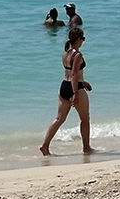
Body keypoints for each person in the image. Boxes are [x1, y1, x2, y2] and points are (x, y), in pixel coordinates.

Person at [40, 27, 93, 155]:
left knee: (59, 119)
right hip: (75, 88)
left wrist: (82, 82)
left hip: (64, 86)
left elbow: (69, 74)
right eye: (83, 39)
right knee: (85, 119)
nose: (83, 42)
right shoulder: (78, 54)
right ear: (78, 40)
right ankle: (86, 148)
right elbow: (75, 75)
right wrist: (75, 93)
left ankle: (45, 146)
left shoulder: (66, 53)